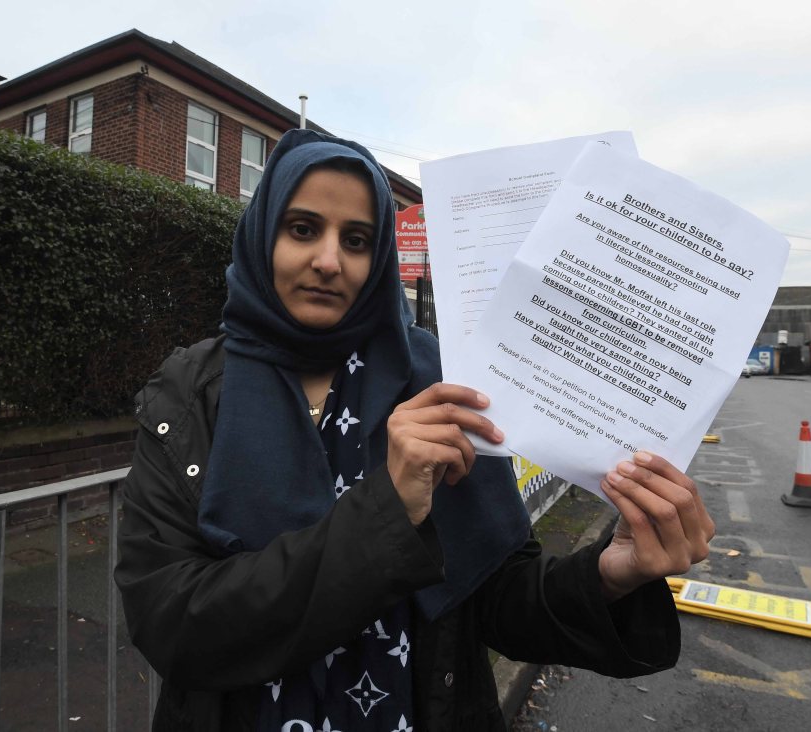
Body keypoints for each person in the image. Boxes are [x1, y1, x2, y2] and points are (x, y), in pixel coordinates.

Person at [115, 129, 715, 732]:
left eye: (356, 240)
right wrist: (387, 510)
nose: (328, 260)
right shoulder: (190, 393)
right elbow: (173, 622)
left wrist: (610, 574)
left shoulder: (438, 385)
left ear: (379, 260)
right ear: (262, 233)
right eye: (302, 229)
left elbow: (496, 600)